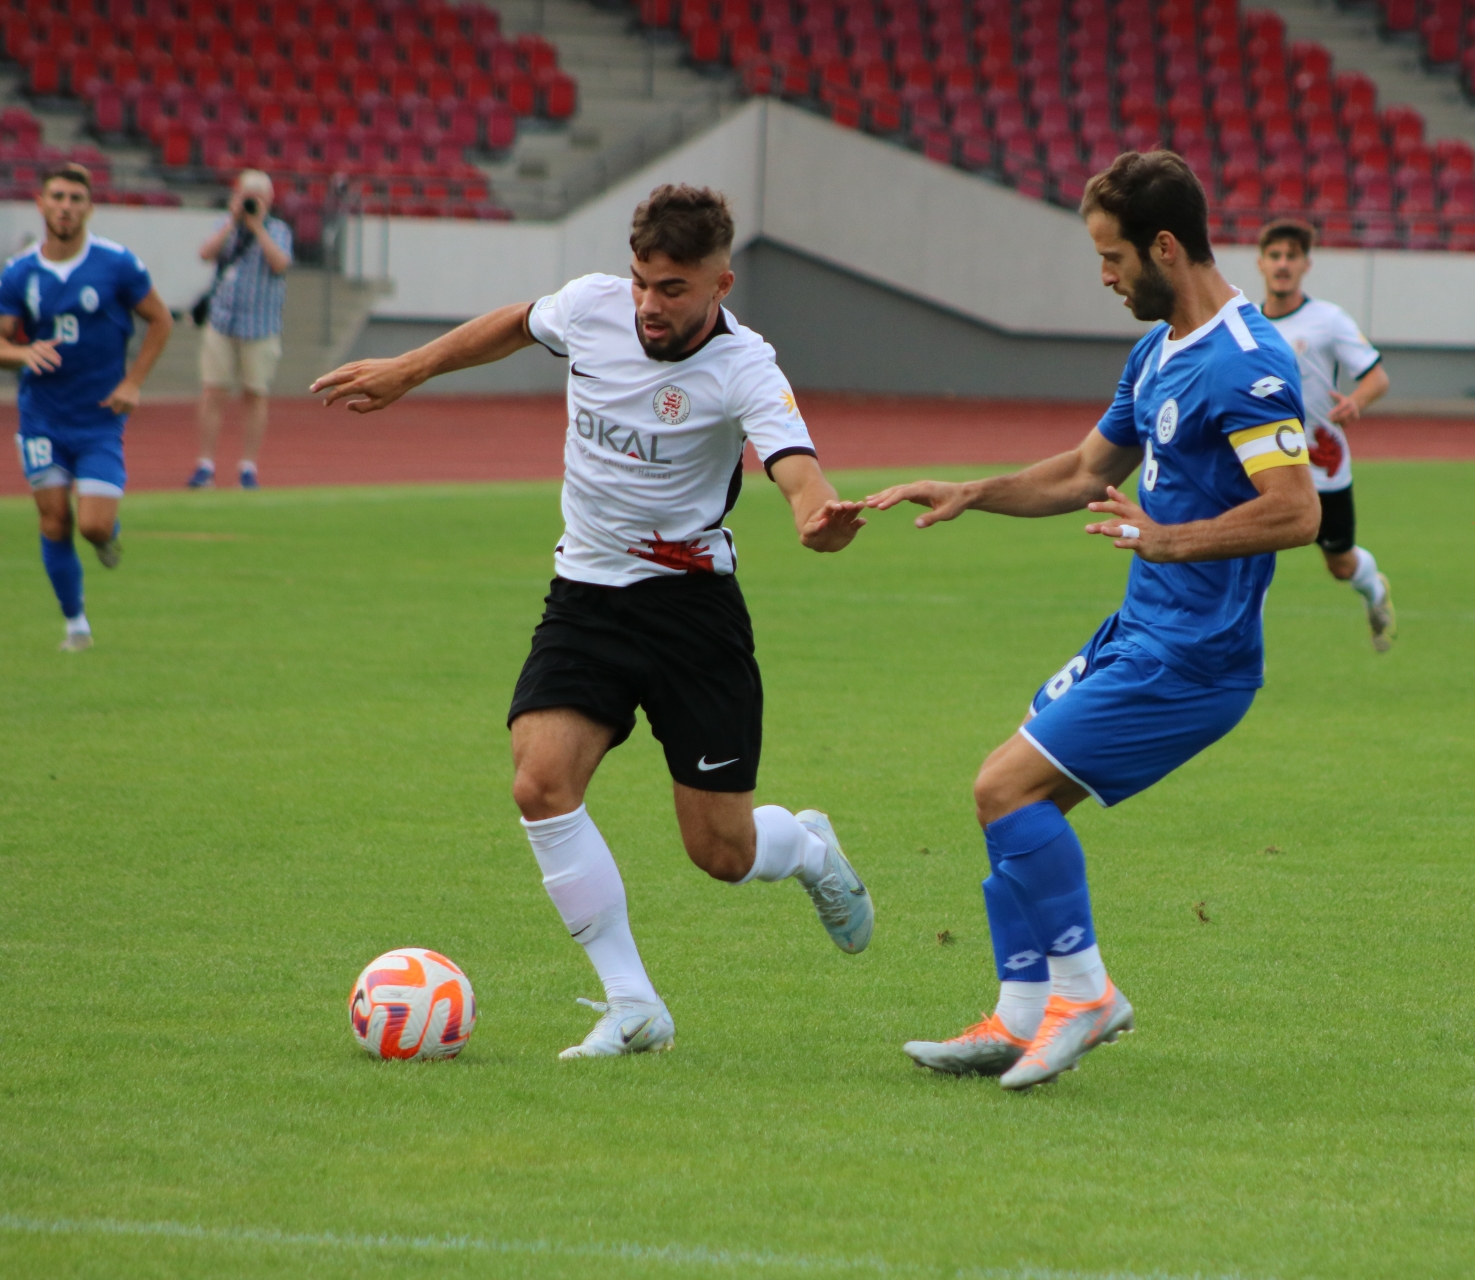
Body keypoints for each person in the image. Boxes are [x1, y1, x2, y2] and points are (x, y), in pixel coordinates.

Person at [310, 185, 874, 1059]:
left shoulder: (747, 367)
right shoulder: (592, 307)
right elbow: (515, 323)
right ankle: (634, 1004)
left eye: (673, 289)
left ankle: (804, 847)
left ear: (720, 284)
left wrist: (817, 518)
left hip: (692, 614)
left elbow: (797, 467)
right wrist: (409, 369)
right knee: (540, 783)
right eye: (642, 281)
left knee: (721, 853)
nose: (650, 303)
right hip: (586, 597)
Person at [866, 152, 1320, 1090]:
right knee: (1010, 802)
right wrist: (972, 491)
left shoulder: (1247, 362)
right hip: (1138, 633)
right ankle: (1019, 1014)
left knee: (1004, 788)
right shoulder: (1156, 353)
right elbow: (1082, 473)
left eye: (1113, 256)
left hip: (1195, 659)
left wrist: (1173, 540)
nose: (1105, 276)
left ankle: (1088, 997)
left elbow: (1296, 510)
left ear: (1166, 247)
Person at [1, 162, 173, 652]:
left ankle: (105, 535)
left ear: (89, 208)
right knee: (55, 519)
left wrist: (133, 382)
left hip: (99, 418)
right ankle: (76, 624)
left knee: (93, 525)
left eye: (76, 199)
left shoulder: (117, 264)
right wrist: (21, 354)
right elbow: (2, 340)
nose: (66, 207)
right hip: (42, 418)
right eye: (57, 197)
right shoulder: (19, 272)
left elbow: (161, 320)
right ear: (41, 203)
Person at [1255, 218, 1396, 651]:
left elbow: (1377, 378)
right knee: (1247, 554)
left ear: (1306, 265)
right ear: (1261, 263)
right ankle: (1239, 652)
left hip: (1322, 461)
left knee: (1340, 564)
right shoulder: (1245, 324)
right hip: (1261, 461)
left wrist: (1356, 402)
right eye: (1275, 256)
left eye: (1291, 256)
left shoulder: (1328, 319)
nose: (1282, 264)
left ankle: (1374, 590)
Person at [188, 169, 292, 490]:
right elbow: (205, 253)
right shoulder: (226, 224)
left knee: (255, 395)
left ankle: (248, 466)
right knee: (213, 392)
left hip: (260, 327)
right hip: (222, 322)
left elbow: (280, 264)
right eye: (247, 196)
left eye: (258, 198)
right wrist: (233, 222)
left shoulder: (278, 230)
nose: (252, 203)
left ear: (269, 201)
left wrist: (257, 227)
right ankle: (205, 464)